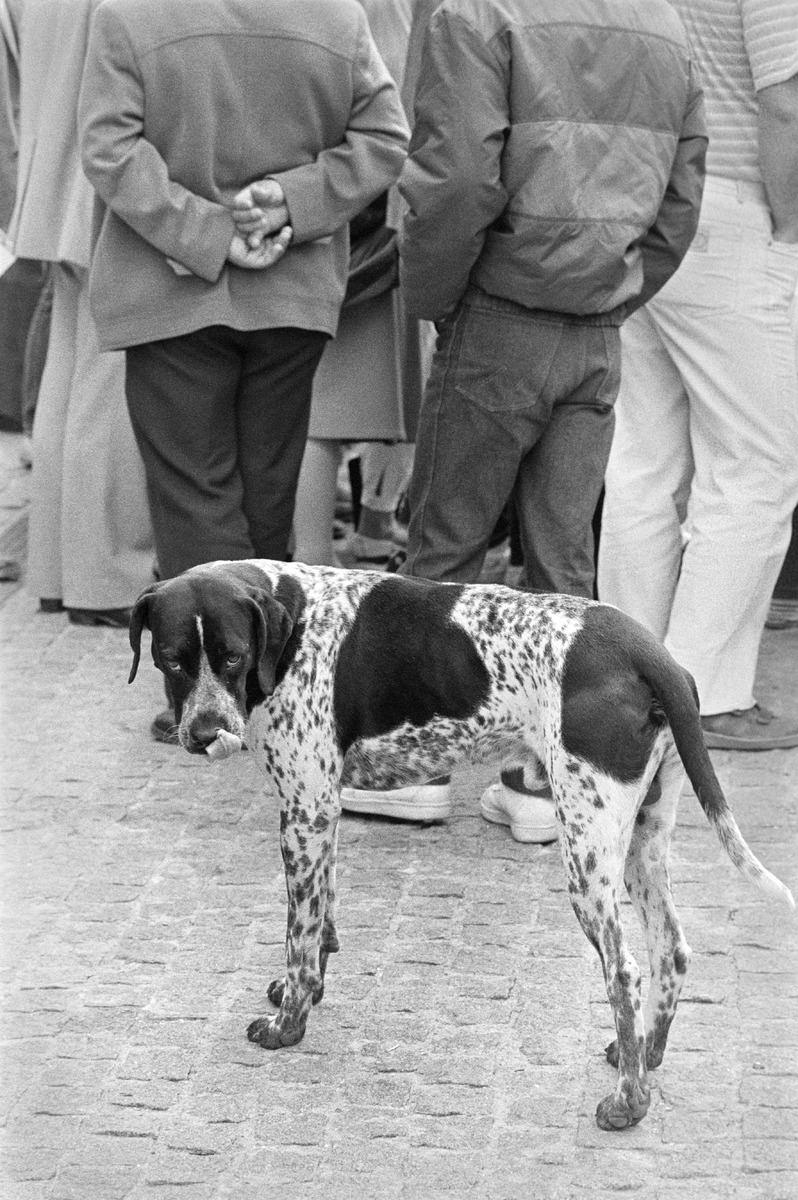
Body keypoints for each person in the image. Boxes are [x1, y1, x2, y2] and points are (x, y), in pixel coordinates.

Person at [340, 0, 707, 836]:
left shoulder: (477, 12)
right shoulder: (664, 23)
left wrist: (436, 299)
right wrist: (615, 287)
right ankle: (546, 779)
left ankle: (417, 762)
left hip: (501, 314)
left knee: (445, 546)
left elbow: (458, 178)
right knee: (562, 564)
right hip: (598, 326)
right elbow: (680, 202)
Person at [78, 0, 409, 739]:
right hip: (292, 289)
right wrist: (293, 201)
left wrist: (205, 231)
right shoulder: (338, 15)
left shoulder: (126, 15)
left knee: (195, 492)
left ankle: (210, 704)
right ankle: (262, 682)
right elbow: (385, 141)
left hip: (170, 291)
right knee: (268, 490)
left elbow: (109, 149)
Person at [598, 0, 798, 751]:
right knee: (758, 467)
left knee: (644, 463)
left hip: (648, 205)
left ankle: (627, 679)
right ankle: (705, 692)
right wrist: (790, 226)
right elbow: (784, 103)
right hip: (737, 210)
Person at [6, 0, 154, 624]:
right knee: (108, 382)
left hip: (50, 178)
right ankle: (106, 577)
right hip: (103, 181)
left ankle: (58, 570)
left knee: (69, 375)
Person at [291, 0, 423, 571]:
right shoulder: (373, 14)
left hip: (335, 216)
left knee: (346, 406)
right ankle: (322, 561)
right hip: (366, 221)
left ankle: (347, 540)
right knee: (337, 410)